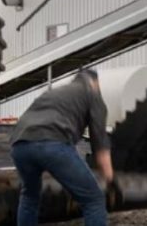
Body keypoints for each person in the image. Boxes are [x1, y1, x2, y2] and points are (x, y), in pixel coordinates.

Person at [9, 70, 113, 226]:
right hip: (52, 143)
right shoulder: (92, 94)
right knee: (93, 199)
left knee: (29, 196)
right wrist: (108, 175)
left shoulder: (52, 93)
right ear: (94, 83)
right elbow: (99, 138)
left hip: (20, 145)